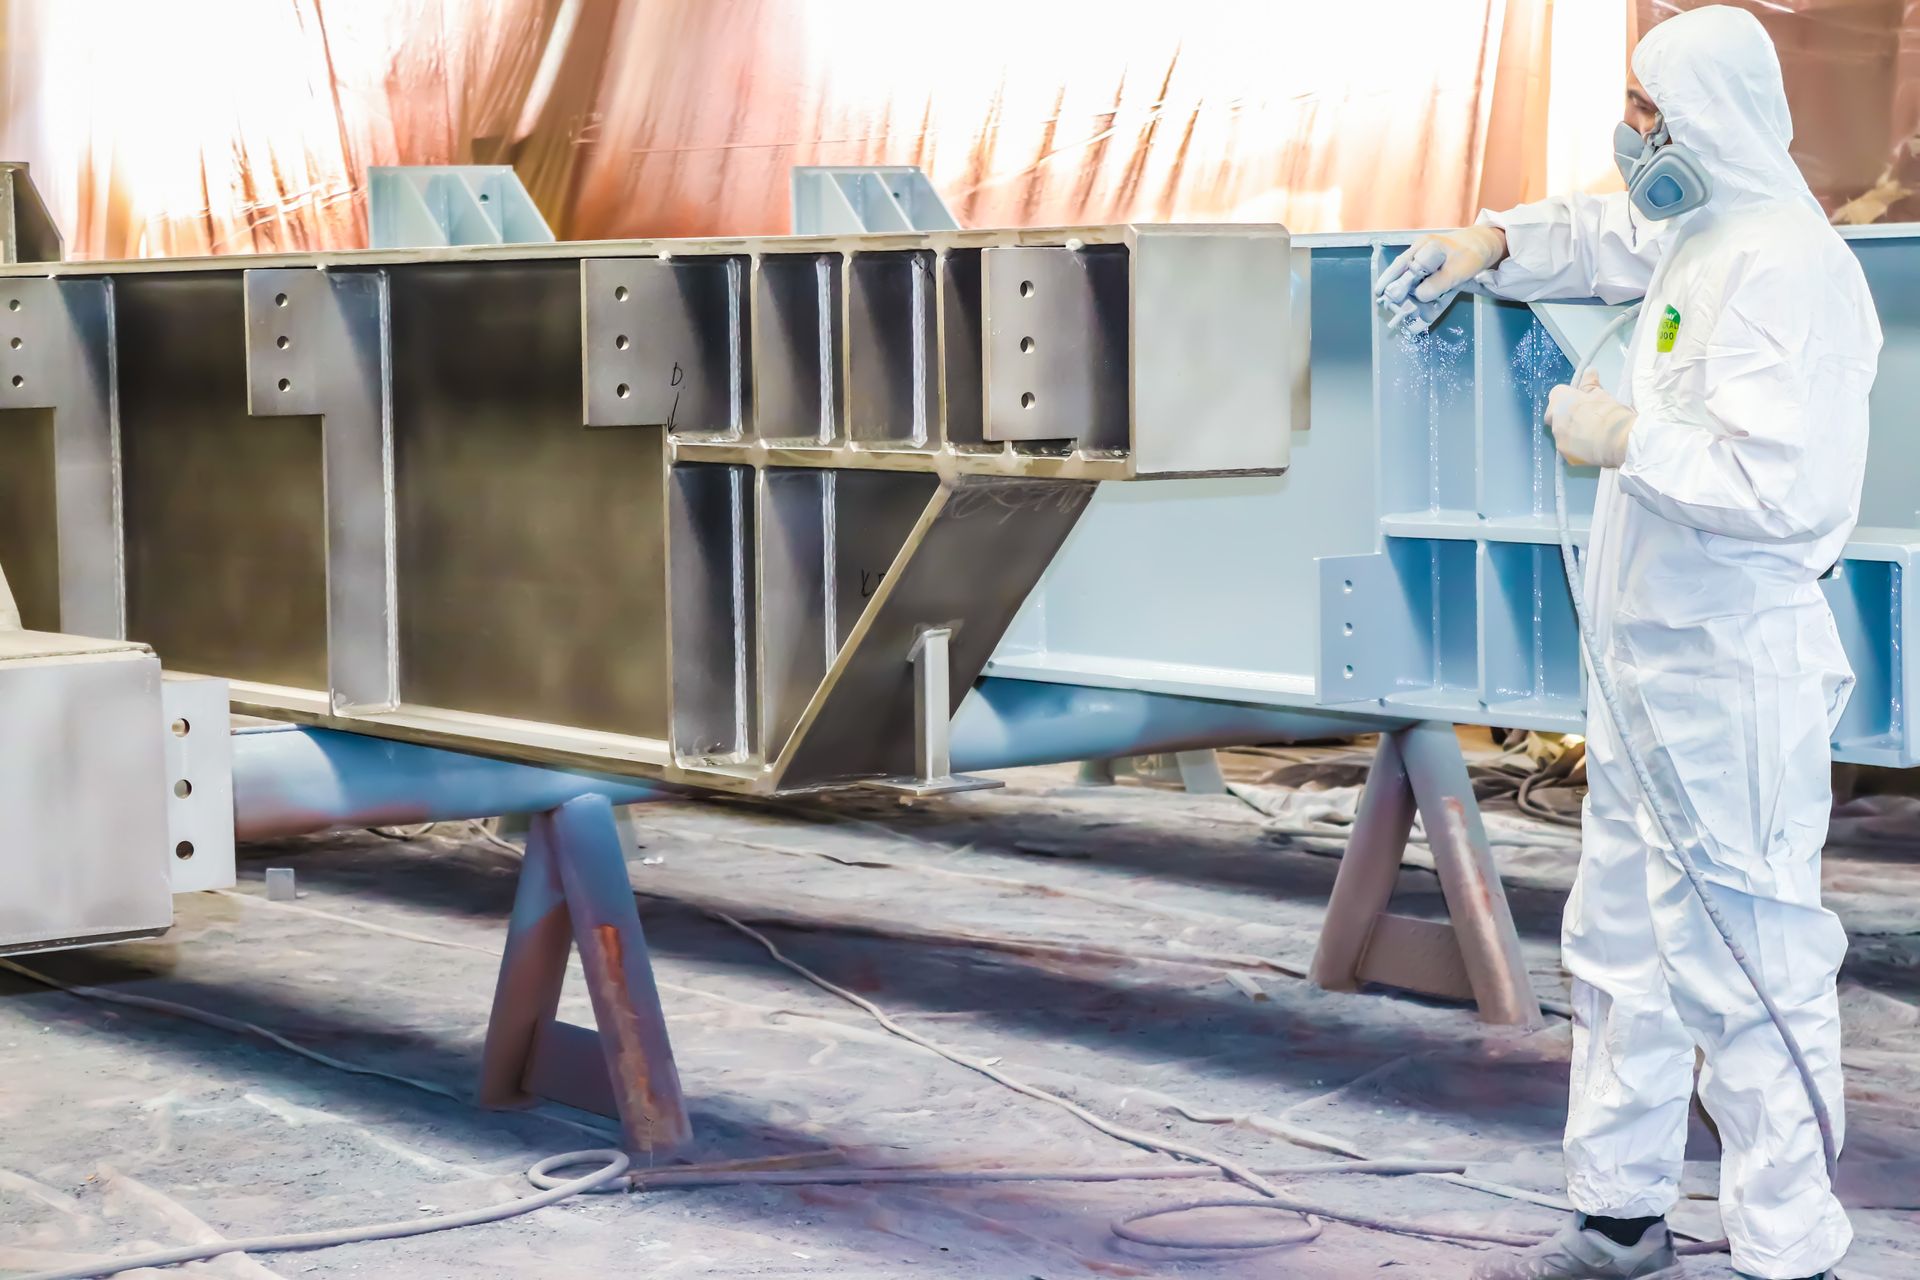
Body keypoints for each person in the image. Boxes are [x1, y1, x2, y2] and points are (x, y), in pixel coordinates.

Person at [1374, 7, 1881, 1280]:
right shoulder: (1701, 232)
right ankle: (1619, 1207)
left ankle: (1787, 1243)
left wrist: (1622, 440)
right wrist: (1491, 238)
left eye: (1649, 113)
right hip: (1649, 679)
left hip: (1734, 676)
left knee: (1746, 963)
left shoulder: (1789, 265)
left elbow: (1788, 495)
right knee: (1622, 951)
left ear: (1709, 116)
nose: (1634, 134)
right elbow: (1611, 227)